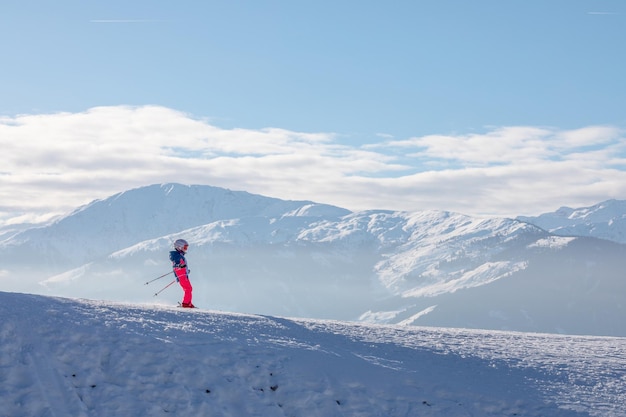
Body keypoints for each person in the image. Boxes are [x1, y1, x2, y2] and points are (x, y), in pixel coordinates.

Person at [169, 239, 195, 308]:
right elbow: (176, 264)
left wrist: (186, 270)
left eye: (186, 247)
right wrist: (179, 266)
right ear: (179, 247)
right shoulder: (177, 256)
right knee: (188, 288)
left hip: (183, 274)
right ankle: (186, 303)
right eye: (185, 247)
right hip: (181, 275)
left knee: (189, 288)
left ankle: (188, 303)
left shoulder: (180, 255)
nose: (186, 249)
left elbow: (182, 265)